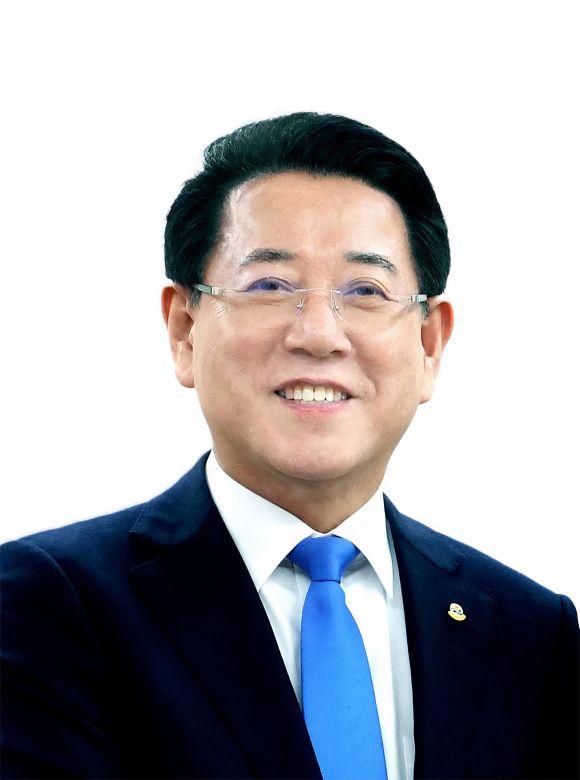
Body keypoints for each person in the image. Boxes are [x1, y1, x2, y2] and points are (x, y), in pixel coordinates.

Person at [1, 113, 578, 780]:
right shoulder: (50, 603)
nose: (319, 335)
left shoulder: (532, 634)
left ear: (429, 344)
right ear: (185, 330)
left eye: (365, 291)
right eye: (269, 287)